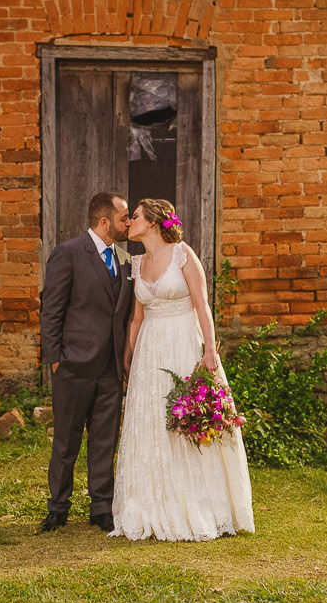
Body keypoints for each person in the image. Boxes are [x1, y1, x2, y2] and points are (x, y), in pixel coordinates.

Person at [110, 199, 255, 541]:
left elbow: (202, 305)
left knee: (184, 417)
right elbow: (136, 316)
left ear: (154, 222)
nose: (129, 222)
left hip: (183, 342)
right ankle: (149, 503)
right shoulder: (138, 261)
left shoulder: (183, 255)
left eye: (136, 217)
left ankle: (202, 505)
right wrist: (129, 355)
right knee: (150, 421)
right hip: (150, 349)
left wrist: (210, 351)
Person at [38, 192, 134, 533]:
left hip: (109, 369)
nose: (129, 222)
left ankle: (101, 507)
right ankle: (58, 508)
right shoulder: (68, 253)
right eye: (124, 217)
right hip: (72, 367)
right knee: (66, 441)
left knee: (105, 441)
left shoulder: (124, 259)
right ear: (105, 221)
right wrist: (54, 361)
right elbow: (51, 310)